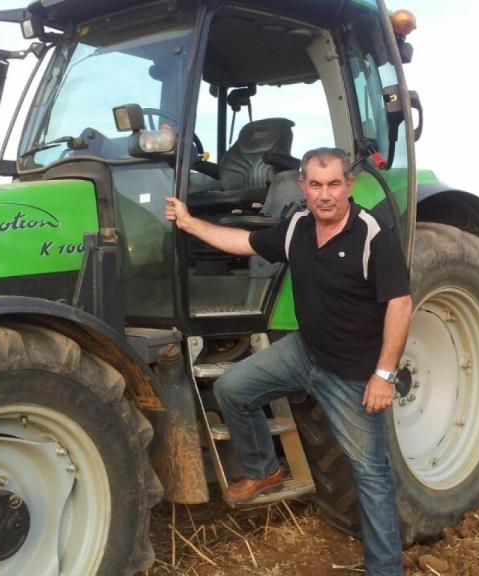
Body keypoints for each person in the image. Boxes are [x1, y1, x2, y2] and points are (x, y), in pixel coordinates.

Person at [166, 147, 412, 575]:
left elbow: (400, 303)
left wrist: (384, 375)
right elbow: (242, 241)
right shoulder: (298, 225)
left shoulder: (372, 234)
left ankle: (386, 569)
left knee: (369, 474)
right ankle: (264, 470)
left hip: (352, 372)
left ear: (348, 185)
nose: (326, 195)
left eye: (334, 184)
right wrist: (189, 223)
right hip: (306, 351)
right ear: (302, 187)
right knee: (232, 388)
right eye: (316, 185)